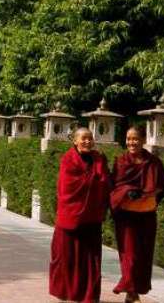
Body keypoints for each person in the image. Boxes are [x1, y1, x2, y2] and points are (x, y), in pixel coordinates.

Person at [49, 128, 111, 303]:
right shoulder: (68, 160)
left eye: (90, 139)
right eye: (83, 138)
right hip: (70, 218)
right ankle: (65, 293)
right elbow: (66, 188)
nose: (87, 142)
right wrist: (92, 181)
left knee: (90, 261)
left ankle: (88, 296)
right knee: (66, 258)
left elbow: (106, 184)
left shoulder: (99, 159)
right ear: (75, 141)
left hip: (91, 218)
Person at [110, 126, 164, 303]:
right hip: (126, 216)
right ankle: (131, 291)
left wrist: (151, 193)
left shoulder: (154, 162)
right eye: (128, 139)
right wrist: (127, 191)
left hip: (147, 214)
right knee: (129, 254)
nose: (131, 142)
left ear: (143, 139)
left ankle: (134, 290)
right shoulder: (121, 161)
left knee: (144, 255)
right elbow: (114, 186)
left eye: (135, 138)